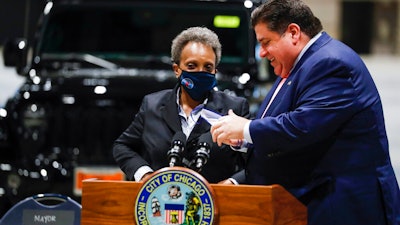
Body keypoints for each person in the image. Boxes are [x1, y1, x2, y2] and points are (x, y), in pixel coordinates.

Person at [210, 0, 400, 224]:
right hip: (316, 199)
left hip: (344, 205)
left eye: (266, 42)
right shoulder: (301, 65)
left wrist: (247, 128)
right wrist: (244, 138)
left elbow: (301, 127)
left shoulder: (330, 63)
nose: (262, 53)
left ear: (293, 32)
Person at [113, 26, 249, 184]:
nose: (200, 72)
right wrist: (144, 175)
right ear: (177, 69)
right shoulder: (152, 105)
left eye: (208, 67)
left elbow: (256, 160)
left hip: (217, 203)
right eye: (192, 66)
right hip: (160, 202)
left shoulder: (234, 109)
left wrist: (232, 182)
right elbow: (122, 146)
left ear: (215, 71)